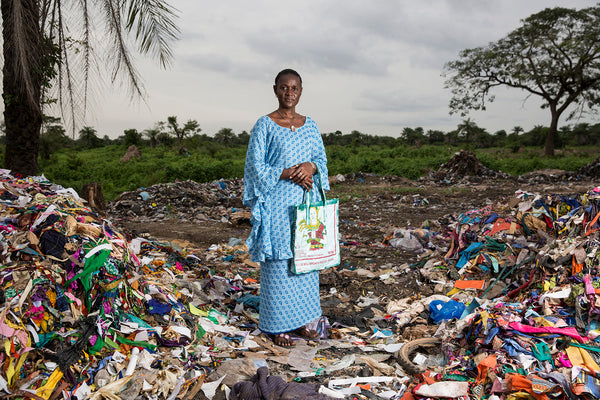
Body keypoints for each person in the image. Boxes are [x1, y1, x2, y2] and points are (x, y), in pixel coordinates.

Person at [243, 69, 329, 347]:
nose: (289, 93)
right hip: (278, 204)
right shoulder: (265, 125)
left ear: (301, 91)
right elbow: (255, 167)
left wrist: (310, 167)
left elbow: (321, 160)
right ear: (275, 89)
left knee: (305, 260)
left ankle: (303, 321)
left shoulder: (311, 125)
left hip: (306, 202)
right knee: (280, 262)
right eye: (284, 87)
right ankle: (277, 326)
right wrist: (288, 172)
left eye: (294, 88)